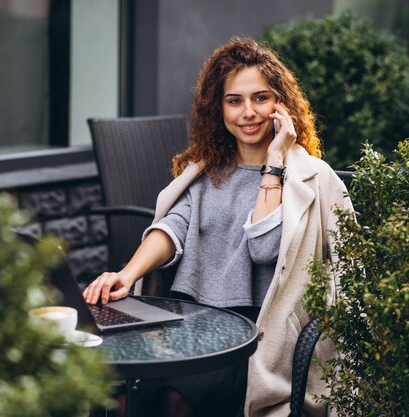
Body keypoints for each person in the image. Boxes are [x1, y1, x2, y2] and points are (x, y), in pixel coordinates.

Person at [83, 37, 352, 417]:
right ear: (218, 108)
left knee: (175, 402)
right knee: (122, 399)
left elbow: (264, 248)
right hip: (189, 319)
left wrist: (273, 163)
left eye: (260, 98)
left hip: (254, 334)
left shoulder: (308, 177)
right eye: (234, 100)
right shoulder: (207, 170)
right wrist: (127, 274)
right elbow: (172, 227)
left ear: (281, 105)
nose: (248, 112)